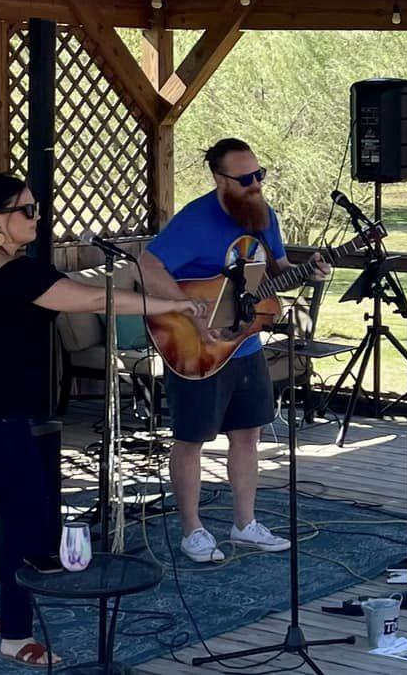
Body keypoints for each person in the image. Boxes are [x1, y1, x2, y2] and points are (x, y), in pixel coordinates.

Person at [0, 173, 201, 669]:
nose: (37, 218)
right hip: (4, 418)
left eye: (36, 208)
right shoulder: (21, 277)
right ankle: (16, 635)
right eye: (26, 211)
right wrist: (173, 305)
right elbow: (100, 298)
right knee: (25, 524)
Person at [136, 138, 326, 565]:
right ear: (220, 179)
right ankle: (193, 530)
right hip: (193, 345)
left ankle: (245, 523)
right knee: (191, 438)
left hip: (244, 345)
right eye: (245, 179)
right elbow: (148, 266)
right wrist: (187, 307)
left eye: (260, 175)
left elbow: (277, 277)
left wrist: (309, 272)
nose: (255, 184)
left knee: (248, 434)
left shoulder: (264, 217)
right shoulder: (195, 220)